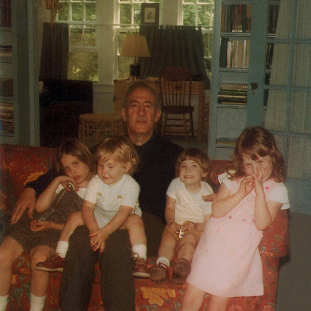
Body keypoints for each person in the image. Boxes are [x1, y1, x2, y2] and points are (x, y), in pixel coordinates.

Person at [12, 82, 183, 311]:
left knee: (112, 242)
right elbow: (70, 166)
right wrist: (31, 188)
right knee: (81, 237)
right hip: (103, 217)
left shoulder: (173, 153)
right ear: (123, 114)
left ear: (157, 114)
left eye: (148, 106)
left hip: (143, 225)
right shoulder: (107, 150)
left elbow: (203, 181)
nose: (141, 112)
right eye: (134, 106)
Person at [180, 126, 290, 311]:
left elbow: (262, 222)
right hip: (213, 244)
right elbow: (216, 210)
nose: (255, 170)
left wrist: (260, 190)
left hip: (238, 251)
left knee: (218, 301)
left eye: (260, 162)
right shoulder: (232, 179)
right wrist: (240, 193)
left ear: (273, 157)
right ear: (241, 163)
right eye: (248, 164)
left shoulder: (278, 190)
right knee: (192, 296)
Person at [0, 138, 96, 311]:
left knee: (39, 260)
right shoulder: (64, 182)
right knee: (2, 255)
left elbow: (78, 225)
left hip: (56, 233)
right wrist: (57, 180)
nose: (72, 171)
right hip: (32, 222)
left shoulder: (96, 191)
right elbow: (39, 207)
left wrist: (51, 225)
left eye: (76, 163)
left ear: (87, 160)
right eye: (67, 167)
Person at [149, 148, 215, 284]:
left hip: (196, 229)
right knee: (167, 239)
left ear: (204, 172)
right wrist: (171, 222)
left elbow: (208, 220)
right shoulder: (175, 184)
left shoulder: (206, 191)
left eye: (194, 166)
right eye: (183, 166)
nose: (188, 170)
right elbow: (169, 207)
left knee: (189, 240)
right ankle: (162, 266)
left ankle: (181, 268)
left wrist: (195, 226)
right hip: (176, 226)